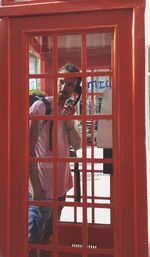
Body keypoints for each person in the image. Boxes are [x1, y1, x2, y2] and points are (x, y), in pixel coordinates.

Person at [28, 63, 82, 252]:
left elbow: (78, 144)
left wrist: (68, 121)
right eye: (62, 82)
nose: (63, 88)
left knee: (47, 237)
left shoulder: (68, 111)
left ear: (76, 88)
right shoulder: (40, 107)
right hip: (41, 189)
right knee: (31, 243)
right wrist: (36, 189)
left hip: (60, 188)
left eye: (70, 84)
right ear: (55, 81)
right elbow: (27, 150)